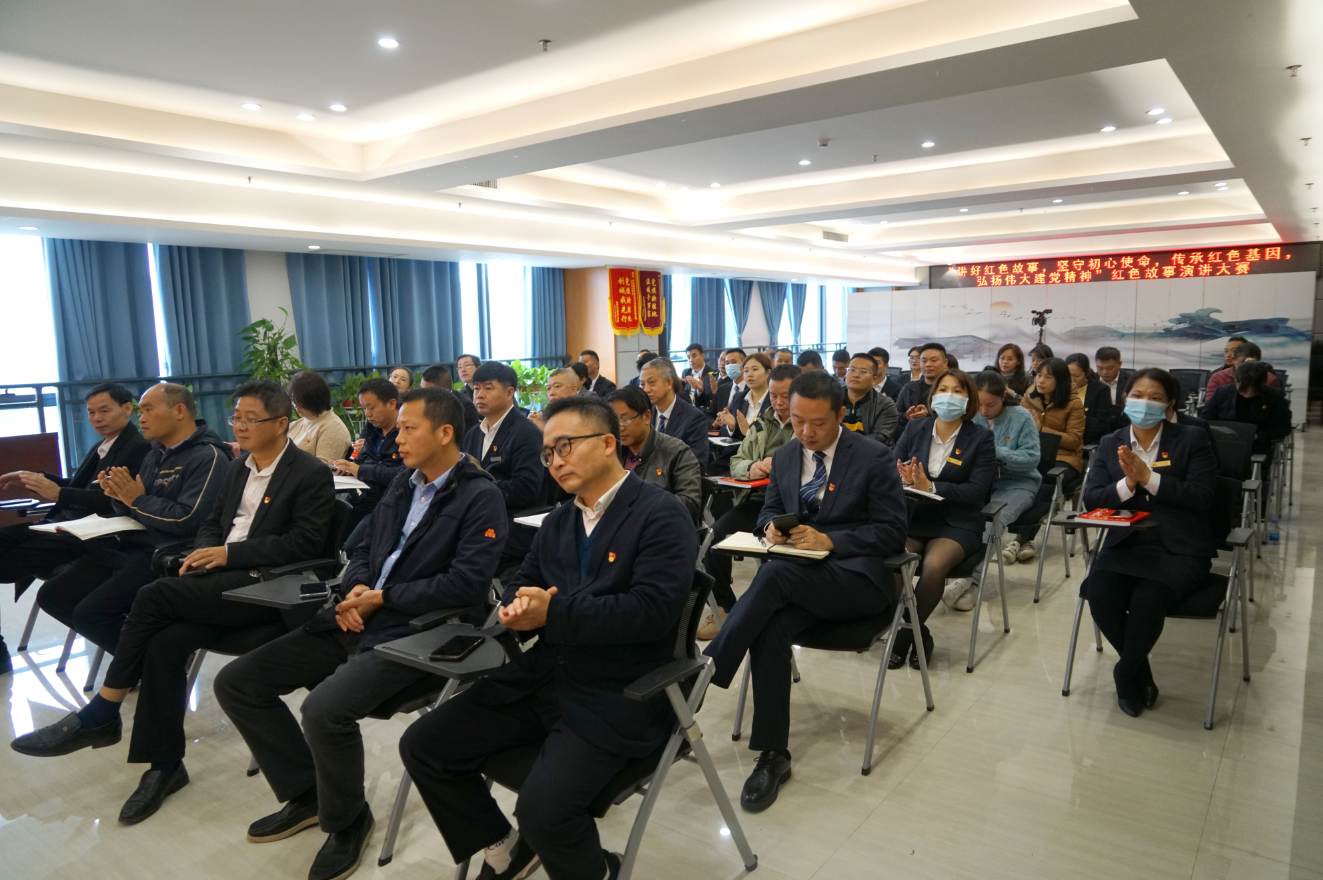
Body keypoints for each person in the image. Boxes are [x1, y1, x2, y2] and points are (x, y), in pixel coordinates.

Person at [11, 380, 337, 826]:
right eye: (236, 418)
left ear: (281, 424)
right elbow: (211, 524)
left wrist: (229, 555)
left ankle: (103, 711)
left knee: (153, 595)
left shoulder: (308, 472)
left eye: (251, 419)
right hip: (223, 580)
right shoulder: (238, 467)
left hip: (268, 587)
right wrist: (201, 556)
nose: (240, 426)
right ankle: (164, 766)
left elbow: (306, 543)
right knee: (164, 643)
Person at [213, 387, 507, 880]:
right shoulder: (405, 484)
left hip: (418, 631)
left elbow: (467, 584)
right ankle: (309, 794)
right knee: (238, 682)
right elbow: (363, 547)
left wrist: (383, 599)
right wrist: (357, 588)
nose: (397, 438)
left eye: (408, 428)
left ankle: (347, 820)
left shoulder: (480, 496)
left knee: (323, 710)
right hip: (359, 614)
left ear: (445, 433)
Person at [399, 395, 696, 880]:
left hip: (617, 691)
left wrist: (553, 612)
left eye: (566, 446)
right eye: (548, 452)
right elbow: (522, 582)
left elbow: (652, 613)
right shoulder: (560, 519)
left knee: (543, 811)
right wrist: (515, 609)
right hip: (545, 676)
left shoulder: (660, 514)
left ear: (608, 443)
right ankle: (503, 848)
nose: (555, 461)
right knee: (423, 743)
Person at [703, 371, 907, 812]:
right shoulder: (787, 454)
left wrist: (832, 540)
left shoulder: (873, 457)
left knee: (774, 577)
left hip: (858, 583)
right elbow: (769, 511)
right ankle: (772, 754)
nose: (806, 432)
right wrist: (771, 528)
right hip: (800, 583)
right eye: (797, 421)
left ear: (840, 414)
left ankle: (704, 674)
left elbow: (893, 531)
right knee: (771, 625)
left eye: (817, 423)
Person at [33, 384, 233, 656]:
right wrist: (117, 496)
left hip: (165, 552)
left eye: (148, 410)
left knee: (91, 614)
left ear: (179, 411)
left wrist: (135, 500)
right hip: (129, 544)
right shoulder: (155, 454)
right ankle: (147, 659)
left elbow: (187, 519)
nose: (141, 419)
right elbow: (132, 507)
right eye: (140, 412)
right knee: (53, 596)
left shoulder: (208, 456)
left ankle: (155, 662)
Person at [1083, 368, 1218, 717]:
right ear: (1125, 399)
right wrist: (1128, 484)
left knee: (1148, 599)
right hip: (1126, 542)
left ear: (1170, 404)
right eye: (1138, 395)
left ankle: (1124, 671)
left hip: (1179, 545)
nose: (1145, 403)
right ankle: (1139, 669)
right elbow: (1092, 498)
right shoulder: (1111, 442)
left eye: (1155, 397)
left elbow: (1203, 497)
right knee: (1099, 592)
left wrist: (1149, 478)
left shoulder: (1192, 437)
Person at [0, 383, 152, 629]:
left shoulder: (139, 447)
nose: (97, 418)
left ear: (127, 409)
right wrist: (37, 479)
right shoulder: (104, 445)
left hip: (89, 532)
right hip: (65, 524)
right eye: (91, 412)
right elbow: (81, 486)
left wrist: (59, 494)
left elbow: (113, 500)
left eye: (104, 410)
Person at [889, 370, 996, 667]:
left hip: (957, 520)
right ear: (933, 395)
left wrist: (932, 487)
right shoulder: (915, 428)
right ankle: (918, 632)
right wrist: (904, 478)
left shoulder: (981, 437)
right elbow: (892, 468)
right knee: (894, 560)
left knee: (934, 566)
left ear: (969, 399)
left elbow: (977, 490)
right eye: (943, 389)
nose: (949, 395)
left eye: (958, 391)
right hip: (915, 516)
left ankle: (904, 635)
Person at [700, 364, 799, 625]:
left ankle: (772, 613)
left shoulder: (807, 424)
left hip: (794, 505)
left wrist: (780, 464)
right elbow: (737, 461)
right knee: (713, 539)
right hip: (758, 501)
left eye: (785, 396)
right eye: (774, 395)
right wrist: (751, 467)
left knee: (775, 558)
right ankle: (724, 608)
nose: (778, 402)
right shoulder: (762, 422)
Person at [943, 371, 1041, 609]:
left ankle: (970, 580)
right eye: (979, 404)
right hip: (979, 483)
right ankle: (958, 577)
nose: (984, 411)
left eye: (991, 405)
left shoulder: (1021, 417)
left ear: (1003, 397)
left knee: (991, 521)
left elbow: (1031, 459)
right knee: (957, 517)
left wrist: (994, 451)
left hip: (1017, 483)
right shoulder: (969, 416)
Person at [461, 361, 546, 578]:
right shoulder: (473, 434)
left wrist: (479, 492)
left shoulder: (526, 432)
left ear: (509, 393)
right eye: (476, 388)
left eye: (488, 388)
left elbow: (527, 488)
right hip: (477, 517)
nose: (479, 395)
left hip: (510, 523)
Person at [1014, 357, 1085, 563]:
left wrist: (1041, 429)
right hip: (1034, 455)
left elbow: (1074, 441)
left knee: (1045, 482)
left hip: (1064, 458)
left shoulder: (1073, 403)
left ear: (1060, 380)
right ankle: (1021, 539)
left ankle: (1021, 538)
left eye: (1048, 377)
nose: (1040, 380)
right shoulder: (1028, 398)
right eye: (1038, 375)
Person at [606, 387, 702, 523]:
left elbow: (690, 503)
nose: (620, 427)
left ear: (646, 417)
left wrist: (640, 507)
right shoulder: (613, 452)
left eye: (625, 419)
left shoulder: (676, 451)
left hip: (659, 528)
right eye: (614, 421)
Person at [330, 378, 404, 548]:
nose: (367, 414)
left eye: (371, 407)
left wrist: (361, 470)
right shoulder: (373, 429)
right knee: (327, 532)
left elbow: (404, 473)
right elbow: (363, 460)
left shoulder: (405, 434)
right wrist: (347, 468)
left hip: (389, 504)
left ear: (392, 404)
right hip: (363, 498)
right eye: (364, 408)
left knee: (351, 547)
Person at [1200, 360, 1292, 460]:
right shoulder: (1222, 392)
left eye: (1254, 388)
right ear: (1236, 379)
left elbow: (1284, 427)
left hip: (1256, 446)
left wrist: (1258, 436)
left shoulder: (1274, 396)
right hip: (1223, 443)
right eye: (1243, 388)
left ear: (1263, 383)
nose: (1248, 392)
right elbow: (1205, 419)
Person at [639, 356, 710, 470]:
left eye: (652, 382)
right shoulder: (644, 414)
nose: (646, 389)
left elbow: (697, 465)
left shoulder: (694, 418)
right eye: (642, 384)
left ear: (668, 383)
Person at [286, 371, 353, 463]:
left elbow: (323, 468)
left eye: (300, 402)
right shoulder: (295, 425)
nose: (296, 406)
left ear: (314, 400)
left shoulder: (332, 427)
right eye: (294, 401)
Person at [841, 353, 900, 445]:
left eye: (863, 371)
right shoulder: (831, 398)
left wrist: (843, 444)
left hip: (869, 452)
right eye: (852, 369)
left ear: (874, 379)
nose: (856, 375)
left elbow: (880, 438)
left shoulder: (885, 404)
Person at [715, 351, 773, 443]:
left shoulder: (774, 399)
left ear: (768, 373)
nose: (749, 374)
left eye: (755, 369)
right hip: (737, 450)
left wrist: (748, 432)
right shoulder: (739, 398)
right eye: (746, 371)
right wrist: (731, 426)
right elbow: (722, 435)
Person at [1067, 352, 1119, 444]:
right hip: (1065, 438)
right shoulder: (1060, 387)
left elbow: (1101, 422)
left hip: (1088, 439)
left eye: (1077, 376)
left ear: (1086, 373)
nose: (1072, 380)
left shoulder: (1101, 390)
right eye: (1068, 375)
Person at [895, 342, 949, 424]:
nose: (928, 365)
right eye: (924, 361)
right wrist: (908, 416)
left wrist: (927, 416)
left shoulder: (952, 389)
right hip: (912, 430)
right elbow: (895, 415)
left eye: (933, 360)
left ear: (945, 363)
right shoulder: (909, 388)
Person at [1206, 341, 1280, 399]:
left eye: (1252, 362)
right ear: (1234, 360)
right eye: (1243, 362)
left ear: (1259, 361)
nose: (1247, 367)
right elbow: (1210, 407)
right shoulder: (1217, 378)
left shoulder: (1270, 379)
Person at [421, 364, 480, 433]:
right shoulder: (422, 405)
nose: (423, 395)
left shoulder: (465, 407)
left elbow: (466, 438)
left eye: (428, 392)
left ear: (444, 391)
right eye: (421, 389)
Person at [708, 348, 747, 419]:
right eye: (727, 363)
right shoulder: (722, 389)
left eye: (733, 362)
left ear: (744, 364)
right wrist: (714, 422)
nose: (730, 366)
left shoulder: (752, 389)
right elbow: (709, 414)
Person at [681, 343, 720, 409]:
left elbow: (711, 398)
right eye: (688, 357)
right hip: (686, 408)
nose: (691, 360)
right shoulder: (686, 372)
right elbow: (683, 394)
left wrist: (700, 390)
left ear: (702, 356)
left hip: (703, 409)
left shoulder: (714, 374)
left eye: (694, 356)